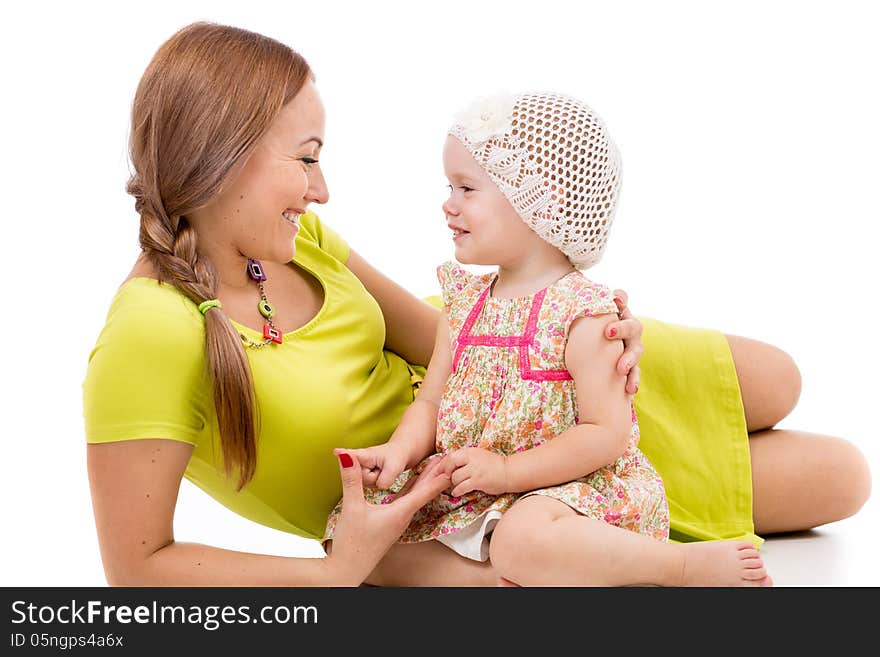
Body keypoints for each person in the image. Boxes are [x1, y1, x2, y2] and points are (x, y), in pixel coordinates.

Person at [83, 22, 869, 587]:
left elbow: (438, 338)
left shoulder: (301, 238)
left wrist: (586, 334)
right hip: (478, 502)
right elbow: (136, 568)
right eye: (308, 158)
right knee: (840, 480)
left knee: (783, 383)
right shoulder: (151, 332)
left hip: (530, 377)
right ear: (224, 154)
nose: (322, 188)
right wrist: (334, 575)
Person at [323, 92, 771, 586]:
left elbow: (606, 433)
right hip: (477, 487)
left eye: (467, 188)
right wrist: (399, 453)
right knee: (349, 532)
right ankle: (503, 580)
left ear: (542, 202)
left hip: (566, 492)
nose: (448, 205)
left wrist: (510, 473)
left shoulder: (583, 314)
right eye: (449, 186)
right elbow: (431, 402)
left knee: (524, 537)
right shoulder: (464, 302)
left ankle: (679, 567)